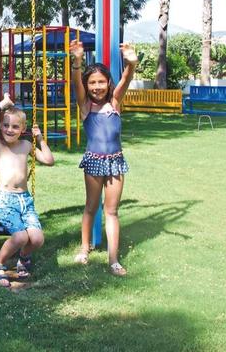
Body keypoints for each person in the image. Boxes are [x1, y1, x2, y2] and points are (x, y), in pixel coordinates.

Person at [69, 39, 138, 277]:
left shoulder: (115, 102)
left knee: (111, 211)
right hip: (93, 161)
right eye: (92, 83)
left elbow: (126, 80)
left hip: (116, 161)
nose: (97, 86)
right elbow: (76, 84)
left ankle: (113, 259)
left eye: (101, 82)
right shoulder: (85, 105)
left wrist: (131, 63)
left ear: (108, 83)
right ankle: (84, 249)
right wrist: (77, 62)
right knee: (90, 207)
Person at [0, 93, 54, 287]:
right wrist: (3, 104)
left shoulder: (26, 145)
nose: (9, 130)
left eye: (15, 126)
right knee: (21, 236)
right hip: (5, 202)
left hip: (25, 201)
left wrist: (40, 138)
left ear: (23, 129)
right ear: (0, 127)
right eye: (5, 125)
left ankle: (23, 257)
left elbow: (49, 160)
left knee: (37, 238)